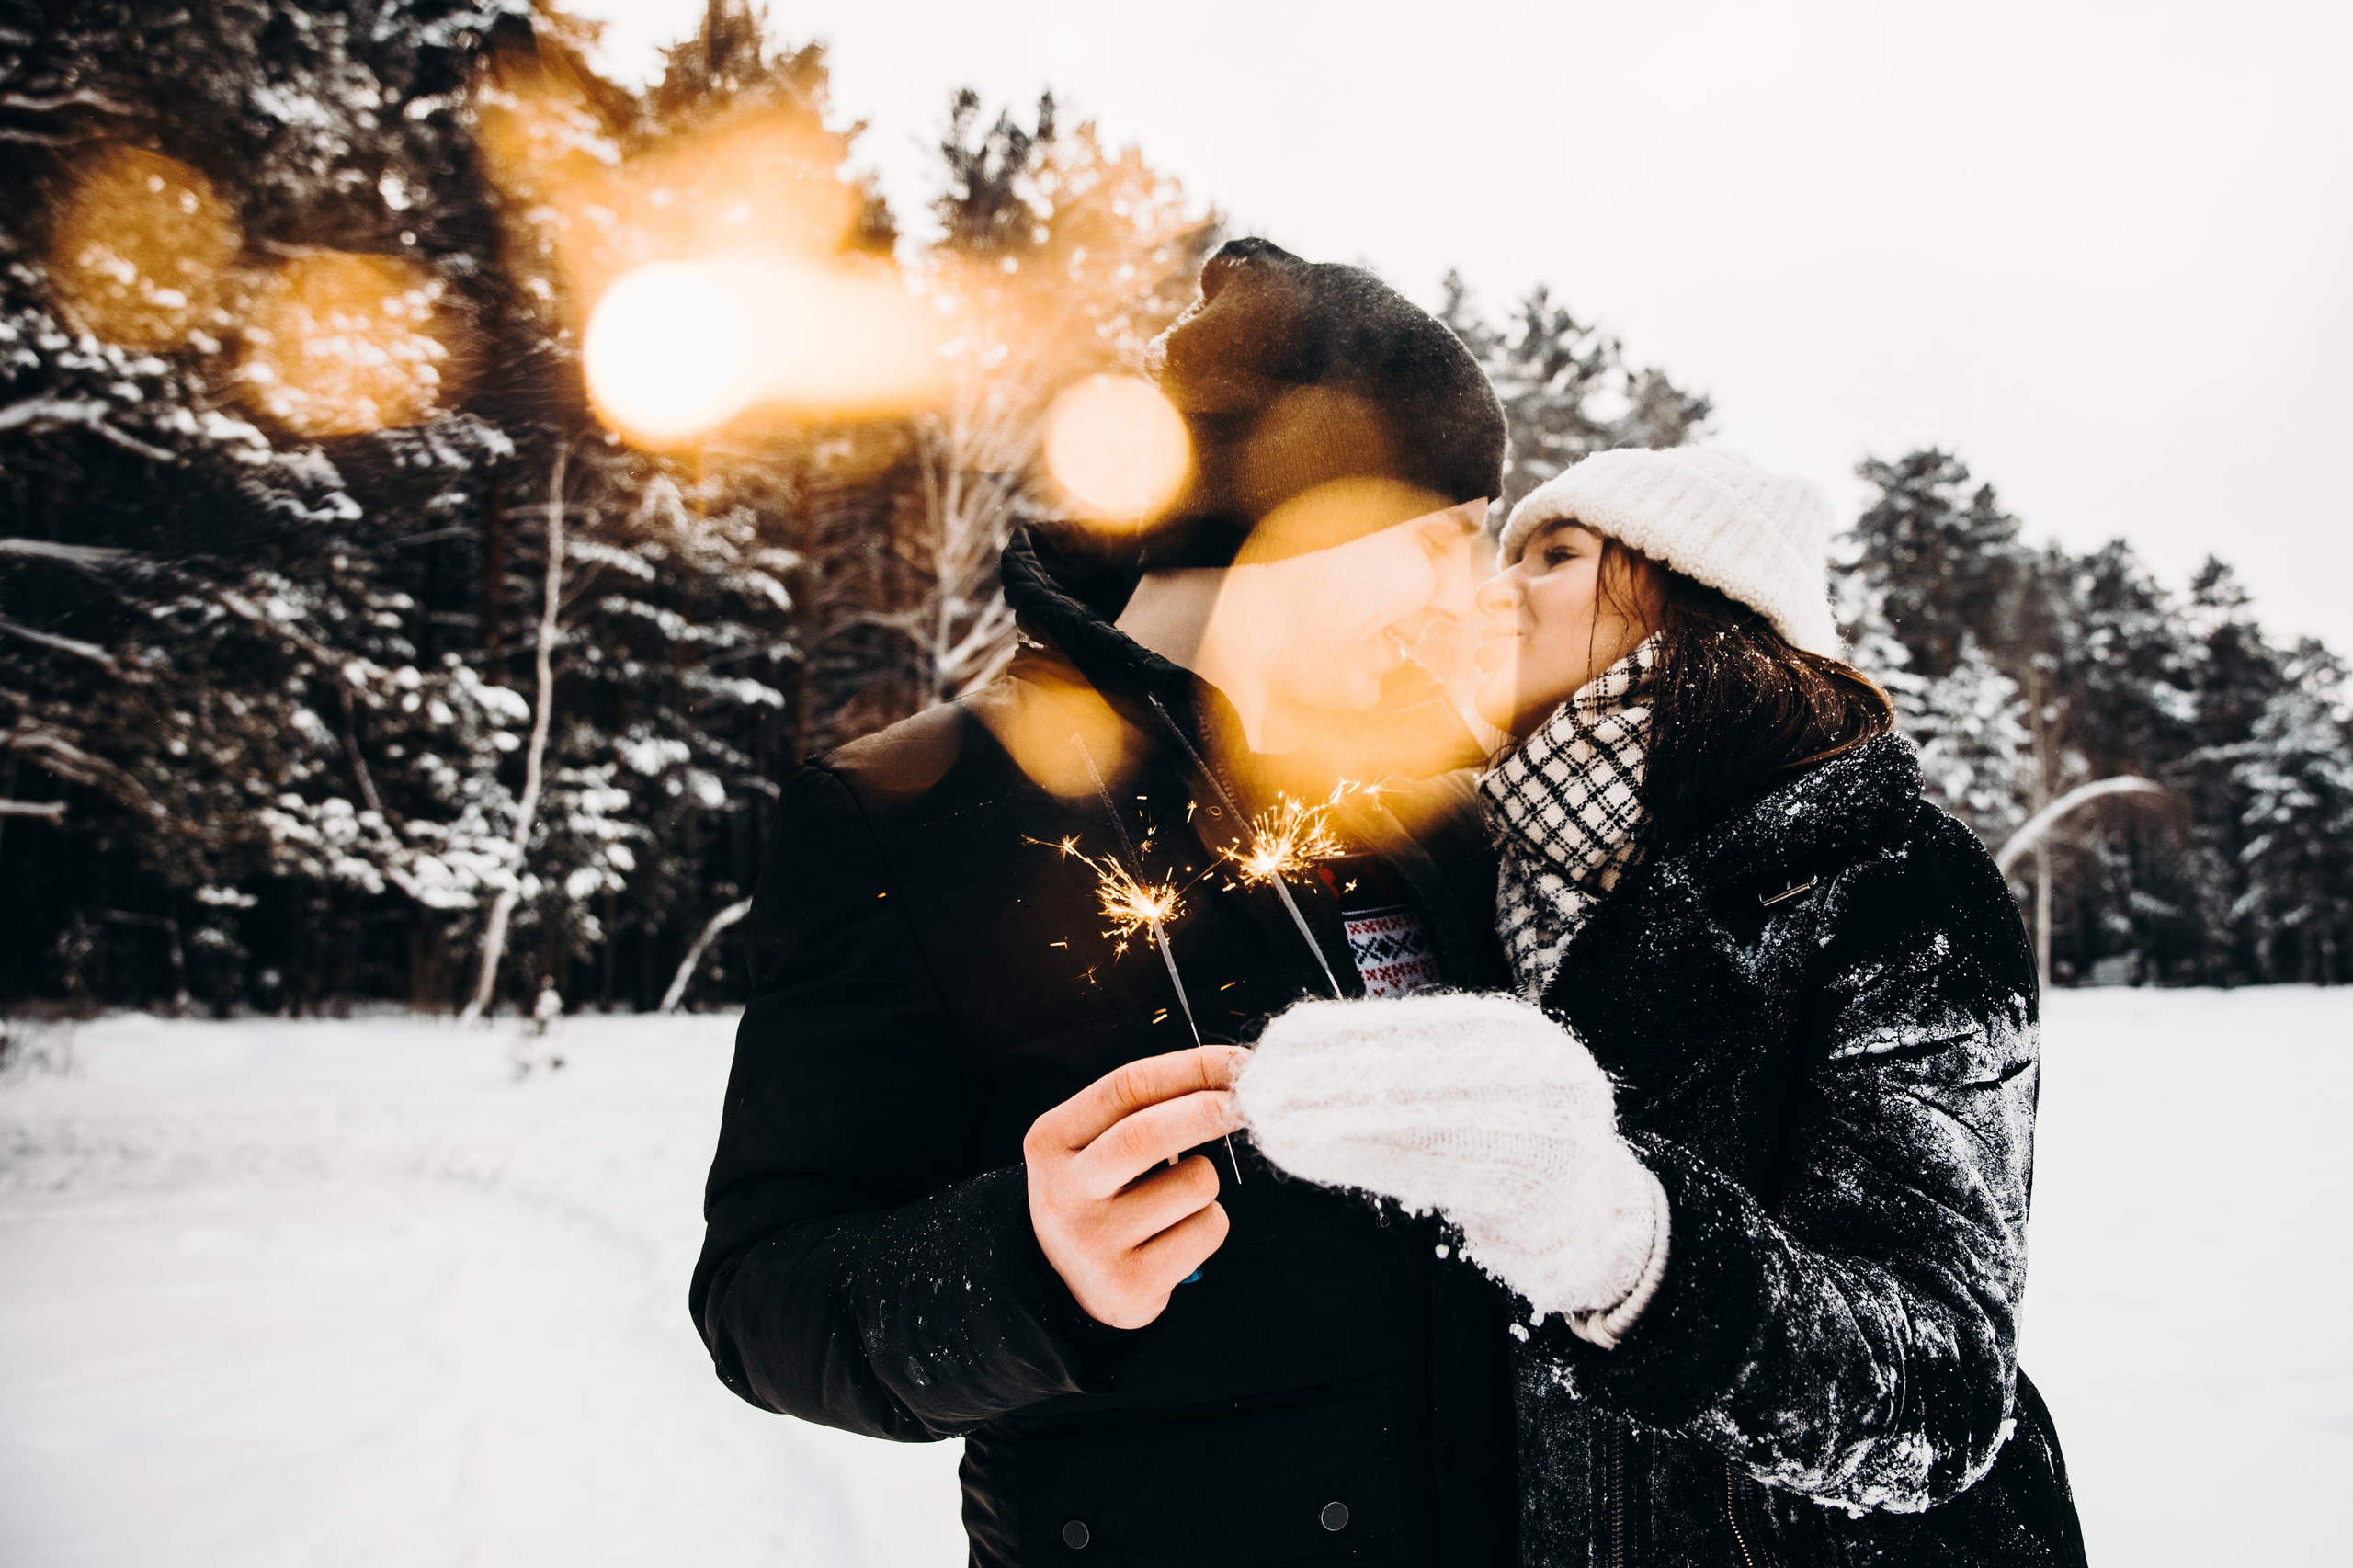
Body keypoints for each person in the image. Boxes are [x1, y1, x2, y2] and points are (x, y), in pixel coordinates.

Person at [691, 238, 1528, 1567]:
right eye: (1444, 541)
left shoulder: (1429, 802)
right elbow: (761, 1295)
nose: (1465, 597)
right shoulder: (919, 811)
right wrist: (1025, 1267)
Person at [1238, 448, 2089, 1565]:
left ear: (1695, 589)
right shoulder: (1478, 878)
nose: (1495, 591)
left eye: (1554, 554)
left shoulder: (1886, 871)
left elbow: (1939, 1389)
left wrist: (1624, 1239)